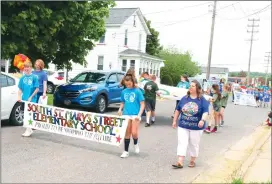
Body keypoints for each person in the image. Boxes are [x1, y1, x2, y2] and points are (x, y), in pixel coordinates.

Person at [172, 80, 209, 169]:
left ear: (197, 88)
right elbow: (178, 110)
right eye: (190, 86)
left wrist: (202, 120)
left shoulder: (202, 100)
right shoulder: (184, 98)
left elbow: (205, 112)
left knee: (194, 144)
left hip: (196, 127)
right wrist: (174, 120)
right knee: (182, 142)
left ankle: (192, 160)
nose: (190, 87)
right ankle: (180, 162)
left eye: (193, 86)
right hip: (183, 125)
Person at [118, 74, 145, 158]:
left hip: (136, 114)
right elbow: (122, 102)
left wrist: (139, 115)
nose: (128, 86)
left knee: (134, 132)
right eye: (126, 84)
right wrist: (120, 109)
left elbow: (142, 104)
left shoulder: (137, 91)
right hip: (126, 113)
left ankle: (136, 143)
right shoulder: (124, 91)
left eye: (129, 84)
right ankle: (126, 151)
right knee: (127, 133)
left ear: (133, 82)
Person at [19, 61, 39, 137]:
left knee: (29, 115)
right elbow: (20, 89)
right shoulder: (22, 78)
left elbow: (37, 89)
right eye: (25, 67)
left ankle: (28, 130)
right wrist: (19, 97)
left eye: (28, 67)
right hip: (24, 99)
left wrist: (31, 97)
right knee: (25, 114)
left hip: (32, 99)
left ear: (31, 68)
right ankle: (29, 129)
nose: (26, 68)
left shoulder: (34, 77)